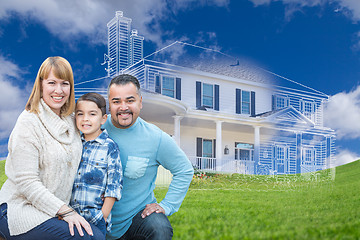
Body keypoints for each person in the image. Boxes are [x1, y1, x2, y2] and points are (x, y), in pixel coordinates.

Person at [0, 56, 104, 239]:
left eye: (64, 83)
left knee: (97, 234)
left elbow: (98, 121)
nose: (59, 90)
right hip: (19, 209)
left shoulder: (72, 119)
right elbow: (27, 183)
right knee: (89, 238)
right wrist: (67, 212)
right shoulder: (28, 123)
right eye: (52, 83)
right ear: (40, 85)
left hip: (54, 209)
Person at [103, 74, 194, 240]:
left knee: (159, 228)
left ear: (140, 102)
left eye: (130, 100)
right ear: (109, 104)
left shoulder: (155, 137)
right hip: (95, 219)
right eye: (116, 101)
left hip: (135, 219)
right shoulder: (93, 128)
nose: (123, 107)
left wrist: (167, 205)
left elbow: (184, 170)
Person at [70, 93, 123, 237]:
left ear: (103, 119)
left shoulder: (109, 147)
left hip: (95, 218)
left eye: (92, 114)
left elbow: (114, 187)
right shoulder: (74, 144)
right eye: (80, 114)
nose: (85, 119)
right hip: (70, 217)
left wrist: (102, 216)